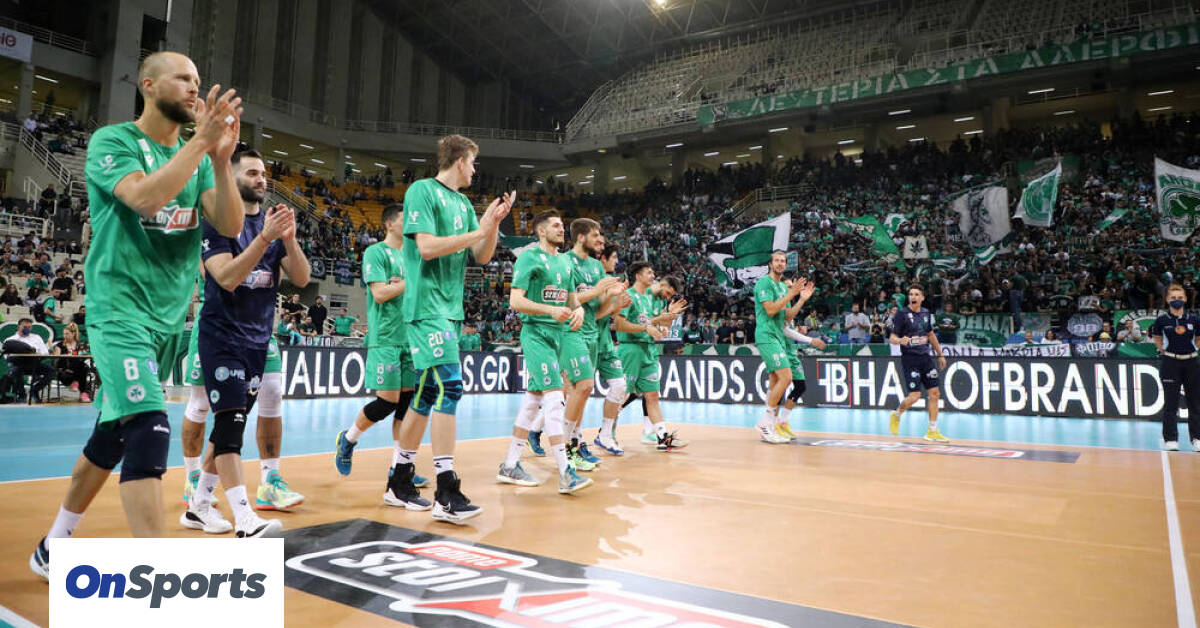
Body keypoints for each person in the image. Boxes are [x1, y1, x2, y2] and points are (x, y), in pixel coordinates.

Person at [31, 50, 244, 579]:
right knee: (150, 426)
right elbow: (146, 199)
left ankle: (53, 546)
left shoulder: (199, 160)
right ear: (148, 84)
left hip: (168, 319)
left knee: (112, 437)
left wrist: (220, 159)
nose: (194, 87)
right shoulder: (115, 141)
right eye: (183, 78)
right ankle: (160, 580)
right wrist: (200, 144)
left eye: (198, 79)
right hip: (119, 308)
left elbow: (230, 225)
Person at [181, 148, 309, 538]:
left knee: (227, 430)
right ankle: (245, 519)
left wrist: (288, 241)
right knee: (229, 424)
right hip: (222, 338)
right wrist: (265, 239)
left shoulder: (270, 226)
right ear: (232, 177)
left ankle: (199, 506)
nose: (261, 178)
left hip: (257, 341)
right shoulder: (216, 224)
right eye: (252, 172)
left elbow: (302, 278)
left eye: (263, 173)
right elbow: (227, 277)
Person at [390, 134, 511, 524]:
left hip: (450, 309)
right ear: (460, 161)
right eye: (473, 162)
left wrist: (491, 225)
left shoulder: (463, 204)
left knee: (426, 394)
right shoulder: (422, 191)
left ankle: (398, 480)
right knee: (451, 387)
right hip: (426, 306)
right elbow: (426, 248)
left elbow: (482, 255)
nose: (475, 170)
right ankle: (446, 489)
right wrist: (479, 230)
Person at [333, 203, 431, 507]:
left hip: (410, 339)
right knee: (387, 402)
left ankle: (399, 468)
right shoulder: (376, 253)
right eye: (404, 219)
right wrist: (408, 283)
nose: (410, 223)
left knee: (406, 405)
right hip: (386, 339)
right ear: (389, 224)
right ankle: (348, 438)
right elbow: (379, 293)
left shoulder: (414, 255)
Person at [496, 210, 592, 494]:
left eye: (563, 225)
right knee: (554, 399)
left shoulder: (565, 261)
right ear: (541, 231)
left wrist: (579, 310)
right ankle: (565, 472)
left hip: (559, 336)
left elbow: (572, 299)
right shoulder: (529, 258)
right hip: (536, 334)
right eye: (556, 225)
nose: (562, 229)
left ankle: (510, 464)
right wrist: (550, 310)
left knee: (532, 402)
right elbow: (516, 300)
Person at [612, 261, 688, 450]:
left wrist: (669, 318)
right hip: (631, 348)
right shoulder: (629, 295)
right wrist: (653, 323)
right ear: (638, 276)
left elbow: (658, 327)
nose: (653, 275)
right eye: (649, 272)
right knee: (622, 394)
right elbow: (620, 325)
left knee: (652, 394)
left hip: (649, 349)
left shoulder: (655, 300)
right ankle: (606, 433)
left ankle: (662, 437)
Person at [752, 252, 810, 444]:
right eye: (776, 261)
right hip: (767, 335)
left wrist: (801, 299)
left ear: (785, 265)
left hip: (777, 336)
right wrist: (791, 294)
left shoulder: (782, 287)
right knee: (786, 377)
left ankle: (769, 426)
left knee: (775, 380)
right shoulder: (764, 283)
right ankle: (765, 423)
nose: (780, 263)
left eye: (783, 261)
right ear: (770, 264)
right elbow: (770, 310)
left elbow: (787, 317)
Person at [887, 285, 950, 443]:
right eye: (911, 294)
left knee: (935, 393)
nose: (913, 297)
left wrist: (940, 354)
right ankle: (897, 414)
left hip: (925, 357)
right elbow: (892, 338)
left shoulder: (926, 313)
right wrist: (900, 340)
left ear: (922, 298)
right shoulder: (902, 314)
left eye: (916, 294)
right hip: (910, 359)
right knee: (915, 396)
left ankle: (932, 431)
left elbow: (930, 334)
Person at [1151, 284, 1200, 451]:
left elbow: (1198, 339)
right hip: (1170, 363)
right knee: (1171, 403)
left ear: (1185, 299)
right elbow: (1157, 338)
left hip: (1191, 363)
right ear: (1167, 300)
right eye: (1173, 298)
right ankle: (1171, 439)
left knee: (1195, 403)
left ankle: (1197, 438)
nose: (1176, 300)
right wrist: (1165, 351)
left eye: (1180, 297)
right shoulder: (1161, 321)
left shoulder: (1194, 319)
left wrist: (1193, 349)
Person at [4, 317, 53, 402]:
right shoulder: (10, 340)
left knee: (51, 371)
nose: (27, 329)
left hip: (34, 364)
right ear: (18, 327)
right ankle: (21, 395)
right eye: (25, 327)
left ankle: (34, 390)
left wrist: (36, 353)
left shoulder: (37, 337)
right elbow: (7, 357)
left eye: (29, 327)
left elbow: (45, 352)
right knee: (15, 371)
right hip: (18, 364)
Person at [52, 322, 91, 403]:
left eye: (67, 334)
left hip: (77, 372)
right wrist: (61, 355)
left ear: (73, 334)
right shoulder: (60, 345)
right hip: (64, 373)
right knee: (72, 361)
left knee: (83, 366)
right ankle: (83, 392)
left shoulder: (80, 345)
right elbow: (55, 361)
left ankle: (82, 392)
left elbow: (84, 356)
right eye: (64, 334)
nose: (64, 336)